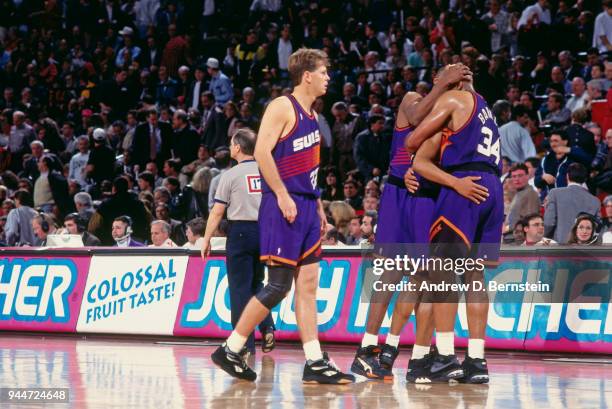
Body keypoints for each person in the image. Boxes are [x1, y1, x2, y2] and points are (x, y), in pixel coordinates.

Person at [211, 48, 354, 384]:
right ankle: (231, 348)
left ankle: (315, 360)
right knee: (278, 286)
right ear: (307, 75)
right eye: (323, 72)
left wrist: (318, 206)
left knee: (308, 286)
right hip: (282, 204)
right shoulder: (282, 106)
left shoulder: (314, 116)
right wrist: (282, 194)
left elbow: (311, 168)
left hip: (306, 204)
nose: (327, 78)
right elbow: (261, 151)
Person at [350, 63, 472, 381]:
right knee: (394, 273)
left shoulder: (453, 113)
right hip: (401, 192)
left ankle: (411, 354)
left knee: (424, 276)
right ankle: (368, 349)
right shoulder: (411, 97)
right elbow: (416, 121)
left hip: (429, 193)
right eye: (451, 76)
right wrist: (443, 84)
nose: (456, 81)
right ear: (437, 79)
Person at [407, 76, 504, 384]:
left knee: (439, 274)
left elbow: (412, 143)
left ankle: (445, 355)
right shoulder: (485, 110)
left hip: (464, 188)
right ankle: (477, 360)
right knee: (475, 276)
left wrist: (451, 181)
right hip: (492, 190)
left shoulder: (454, 102)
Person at [202, 128, 275, 356]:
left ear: (238, 147)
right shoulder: (267, 170)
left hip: (241, 232)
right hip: (265, 231)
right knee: (257, 284)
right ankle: (267, 326)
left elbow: (216, 212)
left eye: (232, 144)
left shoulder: (230, 175)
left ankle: (244, 343)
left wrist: (206, 239)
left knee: (239, 288)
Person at [543, 163, 601, 244]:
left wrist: (544, 239)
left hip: (559, 247)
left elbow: (549, 223)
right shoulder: (595, 201)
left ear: (567, 176)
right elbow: (597, 229)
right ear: (585, 179)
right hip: (584, 250)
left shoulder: (555, 193)